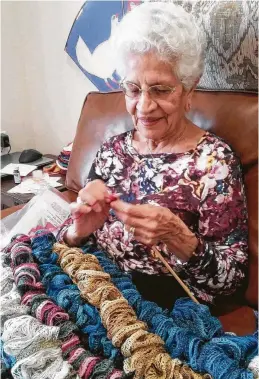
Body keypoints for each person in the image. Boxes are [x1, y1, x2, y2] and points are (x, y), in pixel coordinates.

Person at [58, 2, 248, 310]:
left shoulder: (214, 163)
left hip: (160, 310)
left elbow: (231, 282)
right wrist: (80, 229)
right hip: (98, 292)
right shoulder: (113, 150)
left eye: (160, 90)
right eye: (133, 89)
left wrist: (178, 236)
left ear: (189, 90)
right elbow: (65, 241)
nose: (143, 107)